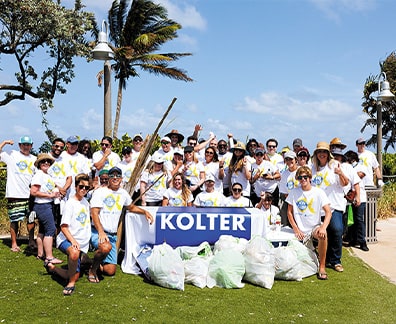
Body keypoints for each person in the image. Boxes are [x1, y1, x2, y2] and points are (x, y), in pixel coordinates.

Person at [89, 166, 154, 281]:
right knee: (105, 247)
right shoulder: (100, 192)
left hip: (113, 236)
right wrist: (101, 232)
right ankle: (92, 270)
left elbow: (131, 207)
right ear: (108, 178)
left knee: (110, 271)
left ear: (121, 178)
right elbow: (94, 212)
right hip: (98, 232)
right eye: (112, 175)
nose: (115, 178)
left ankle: (87, 261)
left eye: (118, 175)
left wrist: (145, 212)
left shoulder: (123, 193)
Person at [45, 174, 91, 295]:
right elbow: (63, 227)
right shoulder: (70, 203)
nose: (84, 190)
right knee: (74, 253)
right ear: (76, 187)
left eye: (87, 188)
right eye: (81, 186)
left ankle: (52, 268)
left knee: (74, 274)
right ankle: (70, 284)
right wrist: (73, 242)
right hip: (66, 239)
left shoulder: (86, 203)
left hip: (82, 243)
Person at [286, 166, 332, 280]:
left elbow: (328, 212)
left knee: (323, 235)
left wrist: (323, 227)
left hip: (314, 228)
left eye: (305, 177)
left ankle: (322, 267)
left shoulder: (319, 192)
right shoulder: (294, 192)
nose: (303, 179)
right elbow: (289, 213)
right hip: (299, 230)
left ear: (310, 178)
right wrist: (296, 229)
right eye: (300, 177)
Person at [311, 141, 349, 273]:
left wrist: (340, 173)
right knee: (321, 234)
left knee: (337, 230)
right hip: (317, 208)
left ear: (328, 154)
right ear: (316, 154)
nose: (322, 154)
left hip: (334, 206)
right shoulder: (312, 168)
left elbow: (345, 184)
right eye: (319, 152)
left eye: (324, 152)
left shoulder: (334, 166)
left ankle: (336, 260)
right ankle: (323, 259)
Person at [0, 136, 37, 252]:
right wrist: (5, 142)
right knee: (14, 220)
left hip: (29, 194)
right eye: (23, 144)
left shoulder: (34, 159)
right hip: (14, 194)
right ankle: (14, 243)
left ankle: (31, 241)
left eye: (28, 144)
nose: (26, 147)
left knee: (31, 219)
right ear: (20, 145)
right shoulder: (12, 154)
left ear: (31, 146)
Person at [30, 153, 62, 265]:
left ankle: (40, 253)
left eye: (48, 161)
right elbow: (33, 192)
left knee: (42, 230)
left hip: (47, 205)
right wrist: (50, 196)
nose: (46, 163)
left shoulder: (47, 175)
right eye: (43, 161)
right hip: (42, 205)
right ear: (39, 164)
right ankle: (49, 257)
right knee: (51, 229)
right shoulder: (38, 175)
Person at [344, 150, 369, 251]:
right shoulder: (349, 168)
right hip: (351, 198)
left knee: (359, 220)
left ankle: (362, 241)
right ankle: (353, 239)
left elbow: (361, 174)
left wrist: (351, 174)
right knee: (352, 220)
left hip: (360, 197)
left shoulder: (360, 166)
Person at [47, 138, 73, 233]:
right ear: (52, 146)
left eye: (61, 147)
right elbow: (45, 178)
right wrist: (59, 188)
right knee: (50, 218)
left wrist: (64, 190)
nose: (58, 149)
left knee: (60, 218)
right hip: (49, 194)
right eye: (57, 146)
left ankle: (57, 239)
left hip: (63, 196)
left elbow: (69, 178)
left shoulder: (64, 160)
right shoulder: (46, 158)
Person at [278, 150, 299, 225]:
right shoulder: (284, 174)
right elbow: (285, 192)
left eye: (291, 159)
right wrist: (292, 204)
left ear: (296, 160)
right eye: (287, 159)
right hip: (290, 202)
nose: (289, 161)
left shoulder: (301, 170)